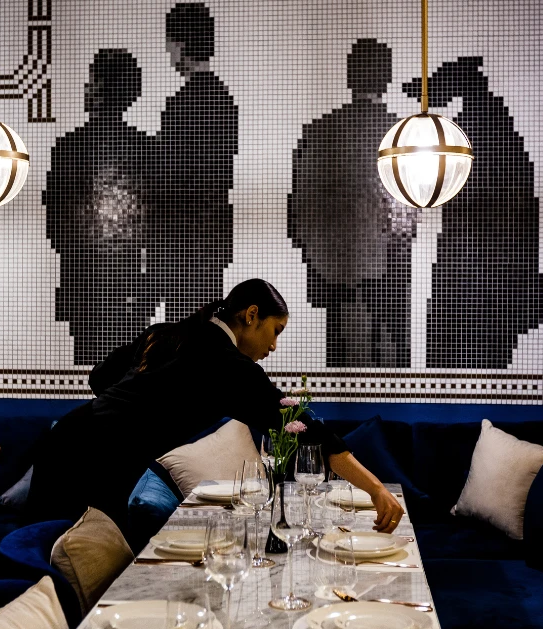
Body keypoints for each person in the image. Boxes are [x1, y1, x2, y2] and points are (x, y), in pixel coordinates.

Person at [27, 279, 406, 533]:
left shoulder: (168, 333)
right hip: (90, 462)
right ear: (251, 315)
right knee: (69, 565)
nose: (274, 346)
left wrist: (134, 409)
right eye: (275, 331)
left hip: (72, 441)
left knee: (62, 563)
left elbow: (100, 377)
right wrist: (376, 489)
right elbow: (307, 429)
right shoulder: (228, 365)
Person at [287, 39, 415, 368]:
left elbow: (298, 208)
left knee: (341, 354)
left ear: (350, 77)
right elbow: (407, 213)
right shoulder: (400, 135)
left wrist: (316, 255)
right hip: (385, 264)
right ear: (386, 79)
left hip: (333, 267)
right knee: (388, 353)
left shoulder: (319, 131)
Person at [43, 49, 155, 364]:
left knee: (94, 373)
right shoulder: (145, 150)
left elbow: (56, 226)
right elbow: (155, 228)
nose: (86, 89)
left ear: (106, 89)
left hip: (85, 290)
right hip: (128, 292)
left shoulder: (68, 148)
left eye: (93, 81)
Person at [147, 2, 238, 323]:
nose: (168, 52)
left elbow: (168, 181)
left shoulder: (180, 105)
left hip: (182, 241)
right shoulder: (223, 99)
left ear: (182, 43)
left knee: (182, 331)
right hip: (212, 237)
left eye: (170, 43)